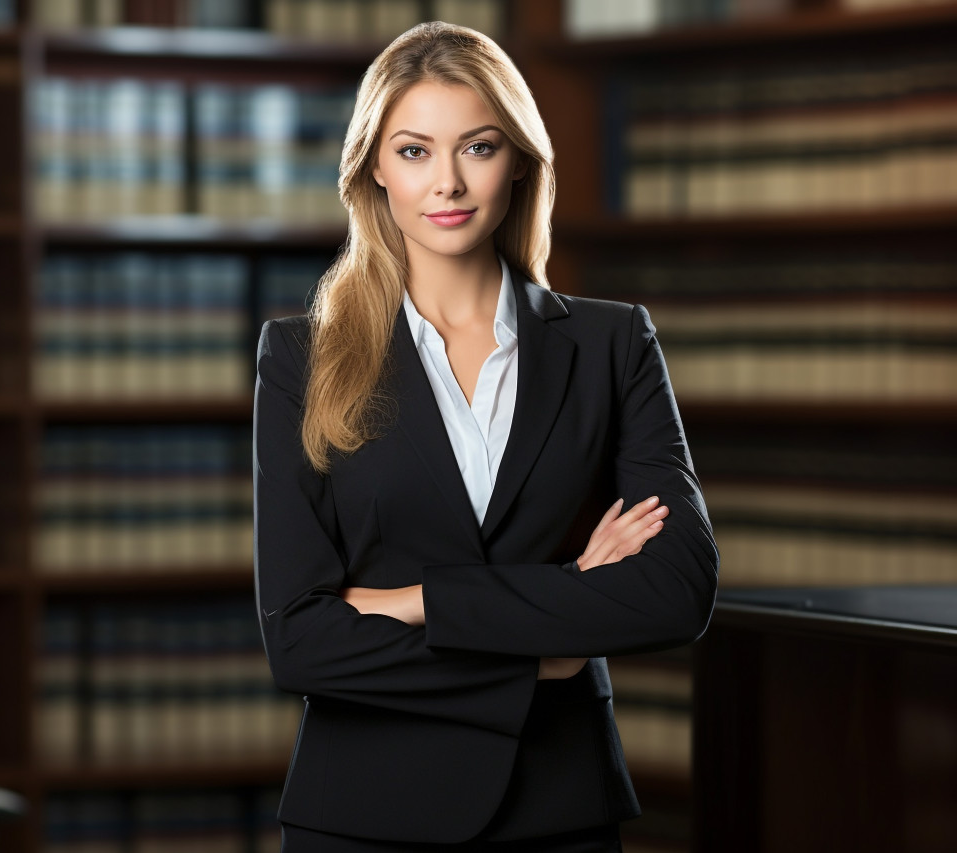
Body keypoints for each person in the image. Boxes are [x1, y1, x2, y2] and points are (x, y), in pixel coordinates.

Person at [252, 21, 718, 852]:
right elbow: (300, 642)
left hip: (560, 809)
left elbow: (677, 588)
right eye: (415, 151)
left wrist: (418, 601)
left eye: (478, 145)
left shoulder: (614, 344)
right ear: (374, 172)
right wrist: (556, 631)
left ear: (519, 161)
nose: (449, 182)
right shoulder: (301, 356)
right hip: (362, 815)